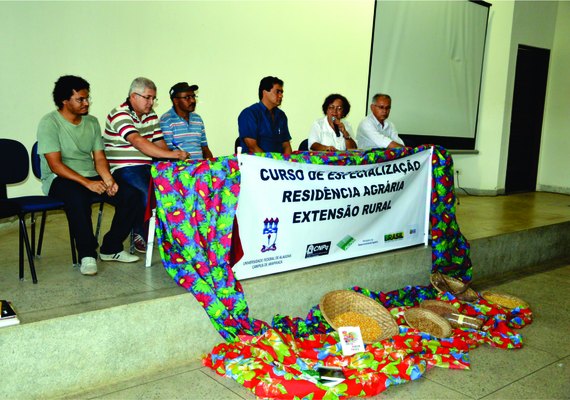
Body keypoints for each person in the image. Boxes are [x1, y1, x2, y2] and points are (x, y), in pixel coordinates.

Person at [37, 75, 141, 276]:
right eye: (80, 99)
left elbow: (100, 158)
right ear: (64, 101)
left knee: (131, 195)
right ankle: (87, 254)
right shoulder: (49, 123)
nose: (86, 103)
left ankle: (111, 248)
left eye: (87, 98)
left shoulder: (92, 122)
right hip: (59, 179)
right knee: (78, 197)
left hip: (90, 175)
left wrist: (108, 179)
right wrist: (87, 183)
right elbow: (55, 165)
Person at [103, 77, 188, 253]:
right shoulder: (119, 113)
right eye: (147, 97)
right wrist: (170, 154)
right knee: (146, 190)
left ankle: (173, 234)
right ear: (133, 96)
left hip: (147, 166)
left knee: (174, 185)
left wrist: (172, 160)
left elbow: (159, 143)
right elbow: (137, 141)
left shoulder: (151, 116)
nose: (151, 102)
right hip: (123, 168)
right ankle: (141, 232)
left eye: (153, 98)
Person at [238, 76, 293, 155]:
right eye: (278, 92)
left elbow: (286, 145)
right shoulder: (250, 113)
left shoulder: (281, 115)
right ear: (265, 92)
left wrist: (287, 163)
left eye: (282, 92)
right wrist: (270, 163)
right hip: (256, 163)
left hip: (279, 164)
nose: (281, 96)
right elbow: (252, 146)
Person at [159, 82, 213, 160]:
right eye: (187, 97)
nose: (192, 101)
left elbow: (205, 148)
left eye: (193, 96)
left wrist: (210, 166)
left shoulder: (198, 119)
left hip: (200, 169)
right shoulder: (166, 121)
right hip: (179, 170)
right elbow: (166, 153)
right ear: (176, 101)